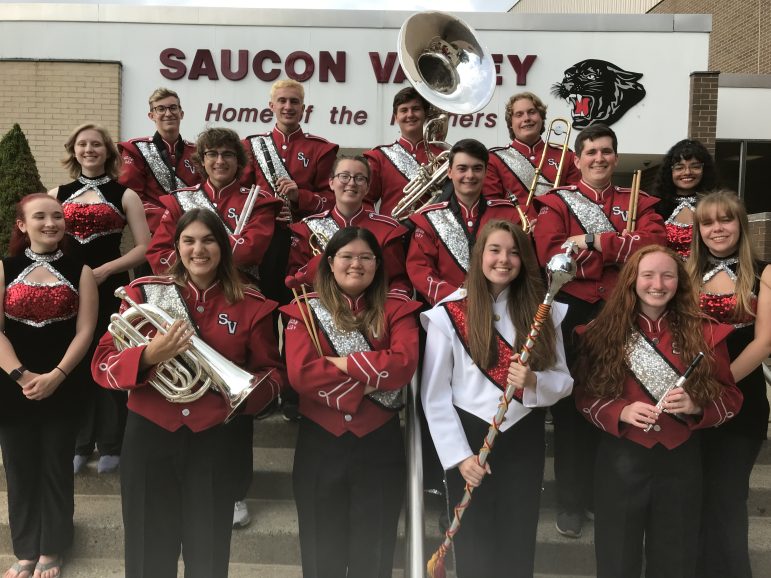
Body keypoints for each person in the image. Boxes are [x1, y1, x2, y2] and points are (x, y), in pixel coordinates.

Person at [91, 209, 286, 578]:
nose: (199, 249)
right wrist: (148, 356)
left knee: (209, 555)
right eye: (189, 240)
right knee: (148, 553)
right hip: (149, 437)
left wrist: (250, 397)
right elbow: (102, 365)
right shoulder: (144, 293)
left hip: (214, 440)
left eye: (209, 240)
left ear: (223, 246)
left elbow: (273, 373)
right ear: (176, 246)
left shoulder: (251, 303)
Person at [575, 245, 742, 578]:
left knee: (676, 561)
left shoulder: (706, 331)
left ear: (678, 282)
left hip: (681, 462)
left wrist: (697, 406)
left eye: (668, 275)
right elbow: (583, 396)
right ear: (632, 280)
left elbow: (732, 397)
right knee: (616, 560)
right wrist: (620, 411)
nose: (658, 284)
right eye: (648, 275)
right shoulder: (601, 333)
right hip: (621, 460)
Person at [532, 123, 666, 538]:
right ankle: (572, 500)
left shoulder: (637, 200)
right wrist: (618, 253)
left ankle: (607, 498)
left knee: (622, 400)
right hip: (574, 313)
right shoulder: (557, 201)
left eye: (607, 152)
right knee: (573, 410)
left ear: (616, 155)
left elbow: (656, 245)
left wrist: (595, 242)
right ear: (577, 159)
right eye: (590, 152)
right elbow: (549, 253)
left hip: (623, 312)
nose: (599, 159)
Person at [421, 220, 573, 578]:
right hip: (470, 440)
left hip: (523, 435)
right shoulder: (449, 312)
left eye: (514, 252)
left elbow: (563, 380)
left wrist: (533, 380)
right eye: (495, 250)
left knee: (518, 539)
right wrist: (459, 458)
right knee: (473, 541)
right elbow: (435, 396)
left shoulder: (543, 311)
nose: (504, 259)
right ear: (479, 256)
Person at [281, 226, 420, 578]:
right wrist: (371, 379)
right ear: (329, 263)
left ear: (377, 265)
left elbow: (403, 364)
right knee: (320, 554)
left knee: (373, 557)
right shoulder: (304, 310)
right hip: (319, 444)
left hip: (379, 446)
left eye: (365, 257)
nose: (355, 264)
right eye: (346, 256)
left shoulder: (398, 309)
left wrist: (340, 364)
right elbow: (301, 375)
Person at [0, 194, 97, 578]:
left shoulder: (81, 269)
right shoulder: (5, 267)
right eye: (40, 217)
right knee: (20, 469)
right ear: (23, 225)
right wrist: (21, 375)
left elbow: (86, 330)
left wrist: (57, 375)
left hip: (64, 383)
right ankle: (25, 551)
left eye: (57, 216)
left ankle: (52, 549)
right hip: (11, 385)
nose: (50, 223)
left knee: (56, 466)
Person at [49, 122, 151, 475]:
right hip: (68, 286)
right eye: (82, 144)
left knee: (109, 358)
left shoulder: (125, 194)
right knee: (73, 361)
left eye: (96, 144)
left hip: (109, 284)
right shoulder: (57, 193)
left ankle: (112, 442)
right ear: (73, 150)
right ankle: (79, 442)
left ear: (108, 152)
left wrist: (107, 269)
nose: (89, 149)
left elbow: (145, 247)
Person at [689, 190, 771, 578]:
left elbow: (765, 342)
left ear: (741, 224)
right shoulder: (684, 273)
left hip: (742, 403)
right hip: (692, 405)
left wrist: (719, 386)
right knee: (695, 499)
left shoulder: (765, 272)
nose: (717, 229)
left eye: (725, 219)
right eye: (707, 222)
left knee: (727, 498)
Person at [241, 78, 339, 307]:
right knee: (264, 307)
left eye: (294, 102)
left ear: (303, 109)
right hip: (263, 242)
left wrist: (300, 197)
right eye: (282, 101)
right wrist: (266, 211)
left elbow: (332, 200)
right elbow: (242, 194)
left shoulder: (321, 149)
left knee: (302, 308)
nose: (288, 107)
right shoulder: (251, 145)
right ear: (271, 106)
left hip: (305, 242)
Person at [146, 126, 282, 281]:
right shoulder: (180, 200)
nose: (220, 161)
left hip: (239, 293)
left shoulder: (259, 202)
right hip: (188, 291)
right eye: (212, 154)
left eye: (228, 154)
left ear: (238, 161)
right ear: (202, 161)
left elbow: (248, 253)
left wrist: (193, 257)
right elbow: (158, 254)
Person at [407, 138, 522, 307]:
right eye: (462, 168)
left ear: (485, 173)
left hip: (501, 308)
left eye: (477, 169)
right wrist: (458, 299)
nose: (470, 175)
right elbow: (420, 271)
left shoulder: (508, 214)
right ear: (449, 172)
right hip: (446, 312)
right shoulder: (428, 219)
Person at [288, 154, 411, 294]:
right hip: (323, 311)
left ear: (367, 187)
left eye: (359, 178)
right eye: (344, 176)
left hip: (375, 312)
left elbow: (398, 283)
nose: (351, 183)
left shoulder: (388, 229)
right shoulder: (306, 228)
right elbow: (295, 283)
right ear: (331, 183)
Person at [484, 91, 581, 219]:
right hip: (514, 233)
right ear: (511, 124)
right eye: (519, 115)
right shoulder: (494, 159)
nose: (526, 118)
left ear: (541, 118)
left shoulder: (566, 156)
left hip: (556, 232)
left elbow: (575, 201)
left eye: (532, 112)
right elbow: (493, 206)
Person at [118, 87, 201, 233]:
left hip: (195, 228)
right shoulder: (136, 150)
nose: (168, 113)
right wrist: (170, 220)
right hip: (156, 232)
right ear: (151, 116)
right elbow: (132, 198)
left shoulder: (197, 152)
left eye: (173, 108)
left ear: (181, 114)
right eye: (160, 109)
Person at [362, 86, 447, 218]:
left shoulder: (444, 156)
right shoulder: (379, 157)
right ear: (396, 117)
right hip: (393, 235)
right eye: (404, 110)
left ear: (425, 114)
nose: (410, 115)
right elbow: (364, 201)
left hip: (433, 236)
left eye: (416, 109)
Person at [652, 139, 718, 259]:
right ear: (670, 171)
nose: (687, 172)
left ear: (705, 170)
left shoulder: (716, 205)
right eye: (679, 167)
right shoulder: (655, 206)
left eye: (695, 166)